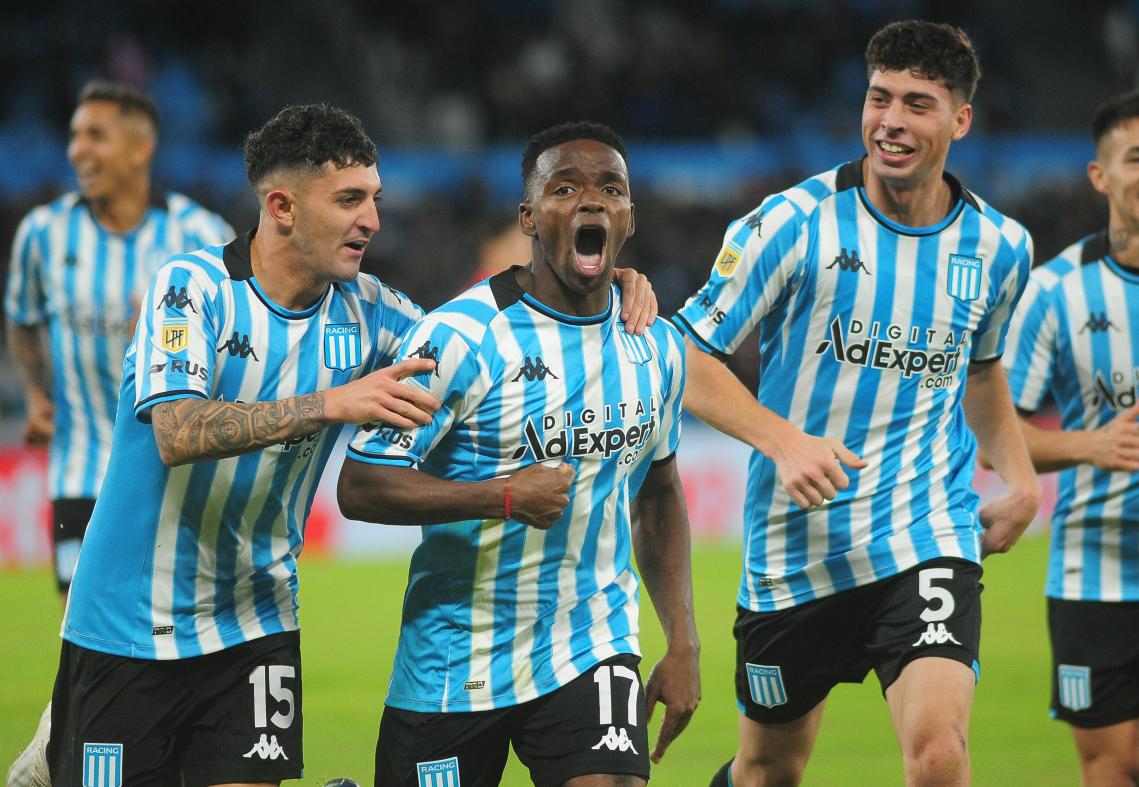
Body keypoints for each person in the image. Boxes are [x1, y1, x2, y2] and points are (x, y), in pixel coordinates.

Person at [43, 103, 658, 787]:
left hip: (256, 620)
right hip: (125, 623)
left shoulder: (372, 312)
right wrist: (329, 403)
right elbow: (177, 432)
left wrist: (599, 291)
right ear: (281, 206)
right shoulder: (192, 289)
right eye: (349, 200)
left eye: (375, 198)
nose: (372, 219)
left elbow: (482, 334)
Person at [670, 20, 1043, 786]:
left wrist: (1020, 474)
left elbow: (982, 369)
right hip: (795, 550)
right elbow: (683, 352)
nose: (892, 121)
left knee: (939, 751)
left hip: (925, 529)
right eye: (880, 99)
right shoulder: (789, 223)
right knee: (769, 766)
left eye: (917, 103)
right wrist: (782, 440)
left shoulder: (1001, 247)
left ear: (960, 120)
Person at [338, 120, 701, 787]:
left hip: (590, 643)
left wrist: (682, 641)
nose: (591, 201)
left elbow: (657, 487)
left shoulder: (654, 344)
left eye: (610, 189)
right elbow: (360, 485)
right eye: (565, 188)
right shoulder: (460, 336)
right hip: (454, 659)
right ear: (529, 218)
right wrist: (502, 495)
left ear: (629, 217)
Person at [4, 79, 233, 787]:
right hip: (80, 471)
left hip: (176, 478)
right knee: (94, 630)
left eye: (95, 134)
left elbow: (239, 335)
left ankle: (69, 757)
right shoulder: (44, 234)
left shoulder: (198, 235)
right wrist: (39, 395)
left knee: (166, 633)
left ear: (141, 148)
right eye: (74, 135)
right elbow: (22, 314)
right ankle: (58, 757)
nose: (77, 149)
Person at [1002, 90, 1139, 787]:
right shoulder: (1053, 292)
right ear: (1100, 176)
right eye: (1137, 157)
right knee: (1114, 771)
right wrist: (1086, 446)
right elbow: (996, 428)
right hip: (1095, 572)